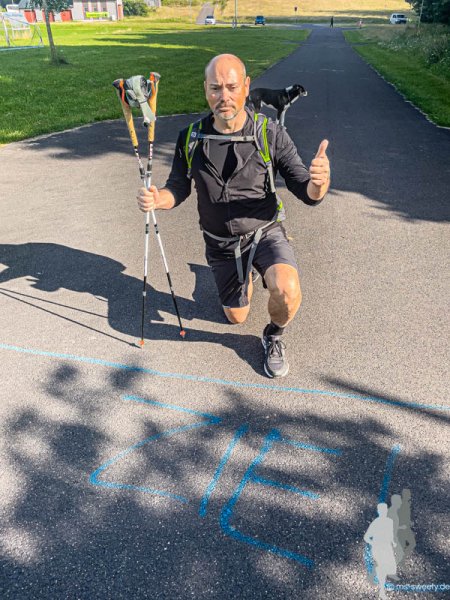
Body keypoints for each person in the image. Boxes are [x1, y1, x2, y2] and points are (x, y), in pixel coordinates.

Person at [137, 53, 330, 378]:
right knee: (236, 317)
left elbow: (305, 190)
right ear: (205, 89)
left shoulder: (269, 134)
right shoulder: (191, 138)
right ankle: (244, 274)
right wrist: (159, 199)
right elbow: (178, 188)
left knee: (286, 291)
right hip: (221, 242)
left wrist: (319, 183)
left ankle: (274, 336)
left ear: (246, 87)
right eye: (215, 88)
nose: (223, 96)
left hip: (265, 232)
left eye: (231, 87)